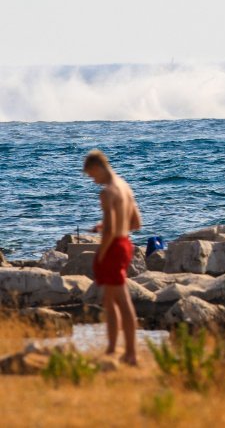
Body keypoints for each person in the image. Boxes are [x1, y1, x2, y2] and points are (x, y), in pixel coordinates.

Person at [83, 150, 142, 366]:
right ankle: (112, 348)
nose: (93, 180)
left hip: (114, 247)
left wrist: (100, 253)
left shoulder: (108, 192)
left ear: (97, 167)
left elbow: (109, 232)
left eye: (91, 175)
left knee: (122, 300)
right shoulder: (124, 186)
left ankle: (131, 354)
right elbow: (136, 223)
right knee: (109, 299)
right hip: (126, 244)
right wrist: (108, 227)